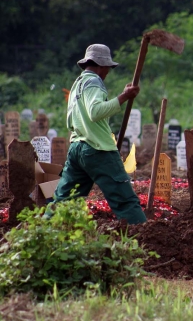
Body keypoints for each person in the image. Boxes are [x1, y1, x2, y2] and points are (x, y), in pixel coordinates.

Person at [50, 44, 147, 224]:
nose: (107, 72)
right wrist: (124, 96)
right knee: (125, 200)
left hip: (77, 148)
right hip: (98, 149)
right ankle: (147, 240)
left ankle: (43, 233)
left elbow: (71, 119)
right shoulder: (94, 82)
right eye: (108, 68)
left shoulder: (77, 84)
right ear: (102, 66)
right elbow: (95, 112)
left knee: (65, 201)